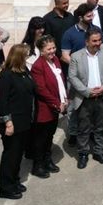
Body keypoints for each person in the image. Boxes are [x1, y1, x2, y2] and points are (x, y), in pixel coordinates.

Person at [68, 29, 103, 169]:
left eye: (99, 40)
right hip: (84, 98)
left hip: (102, 96)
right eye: (94, 41)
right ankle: (83, 153)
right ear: (86, 41)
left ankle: (99, 151)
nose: (98, 43)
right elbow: (73, 77)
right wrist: (87, 91)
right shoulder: (76, 56)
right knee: (83, 128)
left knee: (101, 126)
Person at [0, 44, 34, 200]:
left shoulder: (24, 72)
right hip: (13, 123)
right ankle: (6, 187)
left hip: (24, 121)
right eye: (26, 56)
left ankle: (15, 180)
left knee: (18, 155)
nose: (28, 58)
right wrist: (8, 123)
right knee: (11, 155)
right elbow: (2, 102)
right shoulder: (6, 76)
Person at [28, 36, 66, 179]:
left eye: (53, 48)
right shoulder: (38, 66)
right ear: (41, 51)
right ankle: (37, 165)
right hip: (44, 108)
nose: (52, 51)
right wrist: (57, 103)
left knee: (49, 136)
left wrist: (64, 98)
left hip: (56, 106)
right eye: (48, 49)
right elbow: (41, 90)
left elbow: (60, 81)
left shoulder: (55, 60)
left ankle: (47, 159)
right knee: (41, 138)